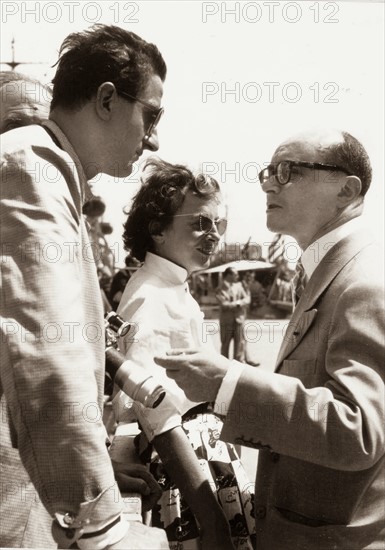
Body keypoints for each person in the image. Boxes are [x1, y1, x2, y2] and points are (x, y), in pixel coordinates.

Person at [156, 129, 385, 550]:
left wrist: (230, 384)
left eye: (288, 171)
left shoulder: (363, 283)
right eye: (268, 172)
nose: (267, 183)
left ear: (346, 189)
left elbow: (358, 431)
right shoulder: (327, 273)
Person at [1, 24, 169, 549]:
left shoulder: (52, 171)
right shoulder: (34, 166)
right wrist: (99, 523)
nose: (154, 138)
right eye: (152, 114)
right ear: (105, 99)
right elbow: (46, 351)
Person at [113, 158, 255, 550]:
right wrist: (210, 515)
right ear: (157, 229)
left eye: (217, 225)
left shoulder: (169, 284)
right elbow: (157, 416)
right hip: (191, 472)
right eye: (199, 223)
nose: (213, 236)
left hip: (204, 460)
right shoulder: (150, 296)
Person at [216, 267, 250, 362]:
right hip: (227, 322)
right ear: (228, 275)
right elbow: (224, 304)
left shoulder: (238, 286)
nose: (237, 276)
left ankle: (237, 370)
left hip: (238, 320)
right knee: (225, 347)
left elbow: (247, 299)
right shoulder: (220, 289)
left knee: (239, 347)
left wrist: (239, 302)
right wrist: (238, 303)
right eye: (235, 274)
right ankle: (224, 369)